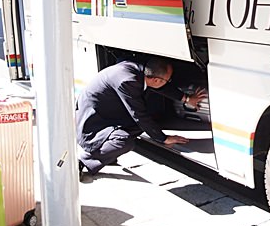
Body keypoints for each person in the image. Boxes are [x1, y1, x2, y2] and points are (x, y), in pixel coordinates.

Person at [75, 57, 207, 178]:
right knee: (124, 141)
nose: (168, 83)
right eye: (168, 80)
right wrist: (163, 139)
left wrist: (187, 98)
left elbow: (160, 87)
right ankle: (85, 159)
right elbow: (139, 115)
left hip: (107, 113)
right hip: (93, 121)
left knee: (143, 127)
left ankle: (107, 154)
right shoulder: (127, 81)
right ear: (156, 80)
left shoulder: (137, 70)